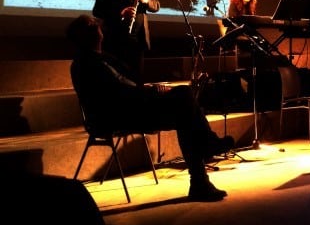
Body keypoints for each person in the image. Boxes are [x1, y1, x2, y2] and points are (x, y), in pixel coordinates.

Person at [66, 14, 233, 202]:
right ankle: (205, 159)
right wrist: (153, 92)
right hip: (118, 115)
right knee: (184, 99)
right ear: (84, 35)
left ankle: (201, 175)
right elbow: (119, 93)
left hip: (129, 108)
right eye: (91, 24)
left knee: (184, 106)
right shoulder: (87, 63)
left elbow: (126, 86)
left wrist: (150, 89)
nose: (97, 25)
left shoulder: (100, 59)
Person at [92, 0, 160, 84]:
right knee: (117, 82)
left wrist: (147, 1)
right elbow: (97, 11)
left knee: (137, 80)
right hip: (116, 40)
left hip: (138, 41)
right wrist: (120, 14)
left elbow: (156, 6)